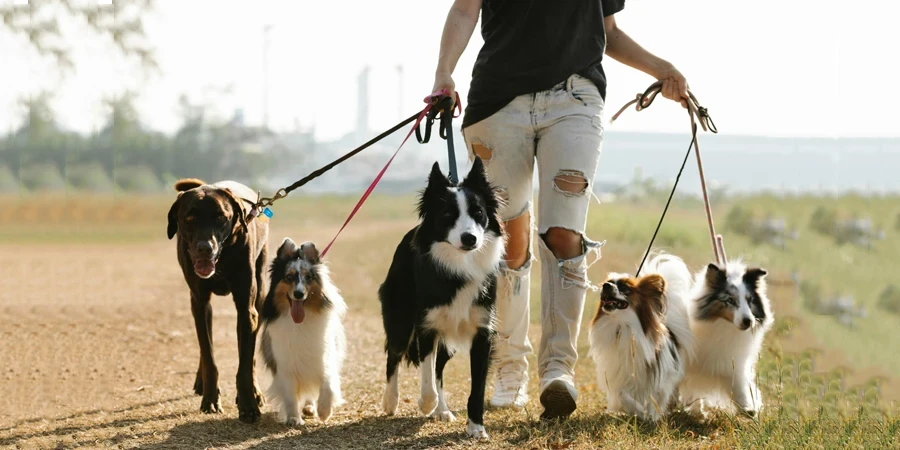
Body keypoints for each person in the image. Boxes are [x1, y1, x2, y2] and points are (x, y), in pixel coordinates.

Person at [430, 0, 691, 420]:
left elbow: (609, 31)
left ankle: (557, 370)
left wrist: (663, 68)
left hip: (575, 99)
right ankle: (510, 367)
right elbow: (464, 10)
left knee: (564, 235)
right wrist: (444, 74)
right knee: (508, 240)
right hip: (498, 102)